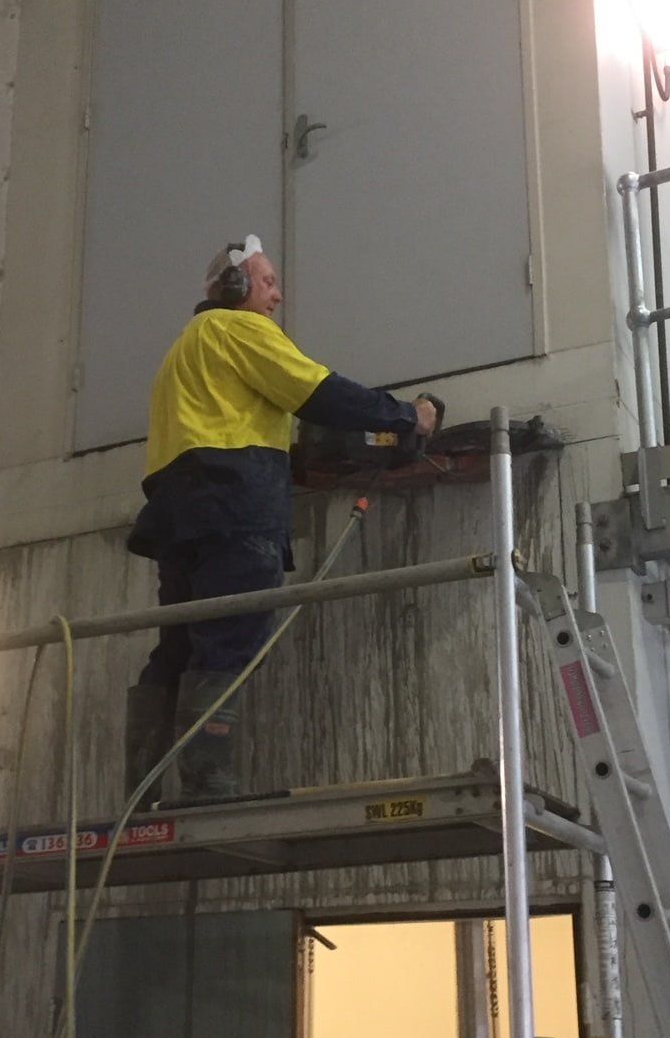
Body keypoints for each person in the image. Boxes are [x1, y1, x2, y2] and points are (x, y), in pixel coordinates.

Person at [125, 235, 438, 803]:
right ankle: (206, 785)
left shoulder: (184, 351)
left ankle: (140, 794)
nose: (277, 296)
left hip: (176, 518)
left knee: (177, 647)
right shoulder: (238, 329)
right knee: (231, 638)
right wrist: (405, 417)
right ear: (236, 286)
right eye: (268, 282)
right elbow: (317, 391)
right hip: (235, 506)